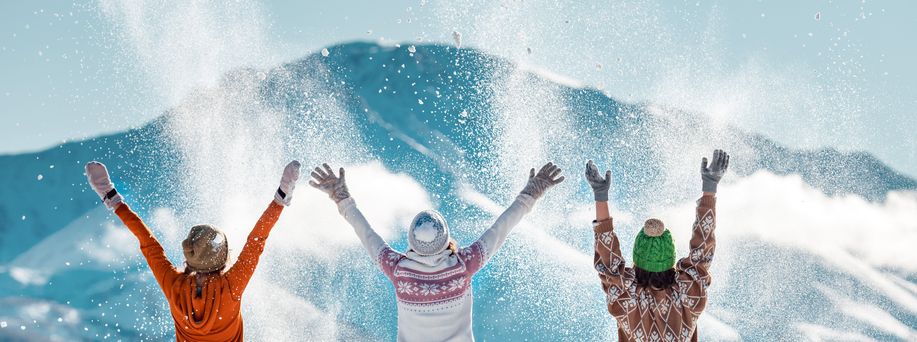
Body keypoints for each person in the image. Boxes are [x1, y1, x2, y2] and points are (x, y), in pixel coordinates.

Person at [308, 162, 564, 342]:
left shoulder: (397, 270)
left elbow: (367, 234)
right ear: (445, 238)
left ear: (411, 240)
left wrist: (341, 197)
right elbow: (500, 229)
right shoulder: (464, 265)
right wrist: (531, 192)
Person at [84, 160, 301, 342]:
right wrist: (281, 198)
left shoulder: (174, 286)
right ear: (222, 257)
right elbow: (256, 241)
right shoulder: (231, 286)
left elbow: (147, 243)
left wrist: (110, 196)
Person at [588, 150, 729, 342]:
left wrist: (600, 195)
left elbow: (609, 263)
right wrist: (710, 186)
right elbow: (702, 251)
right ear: (669, 259)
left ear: (638, 260)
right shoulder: (688, 296)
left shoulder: (628, 300)